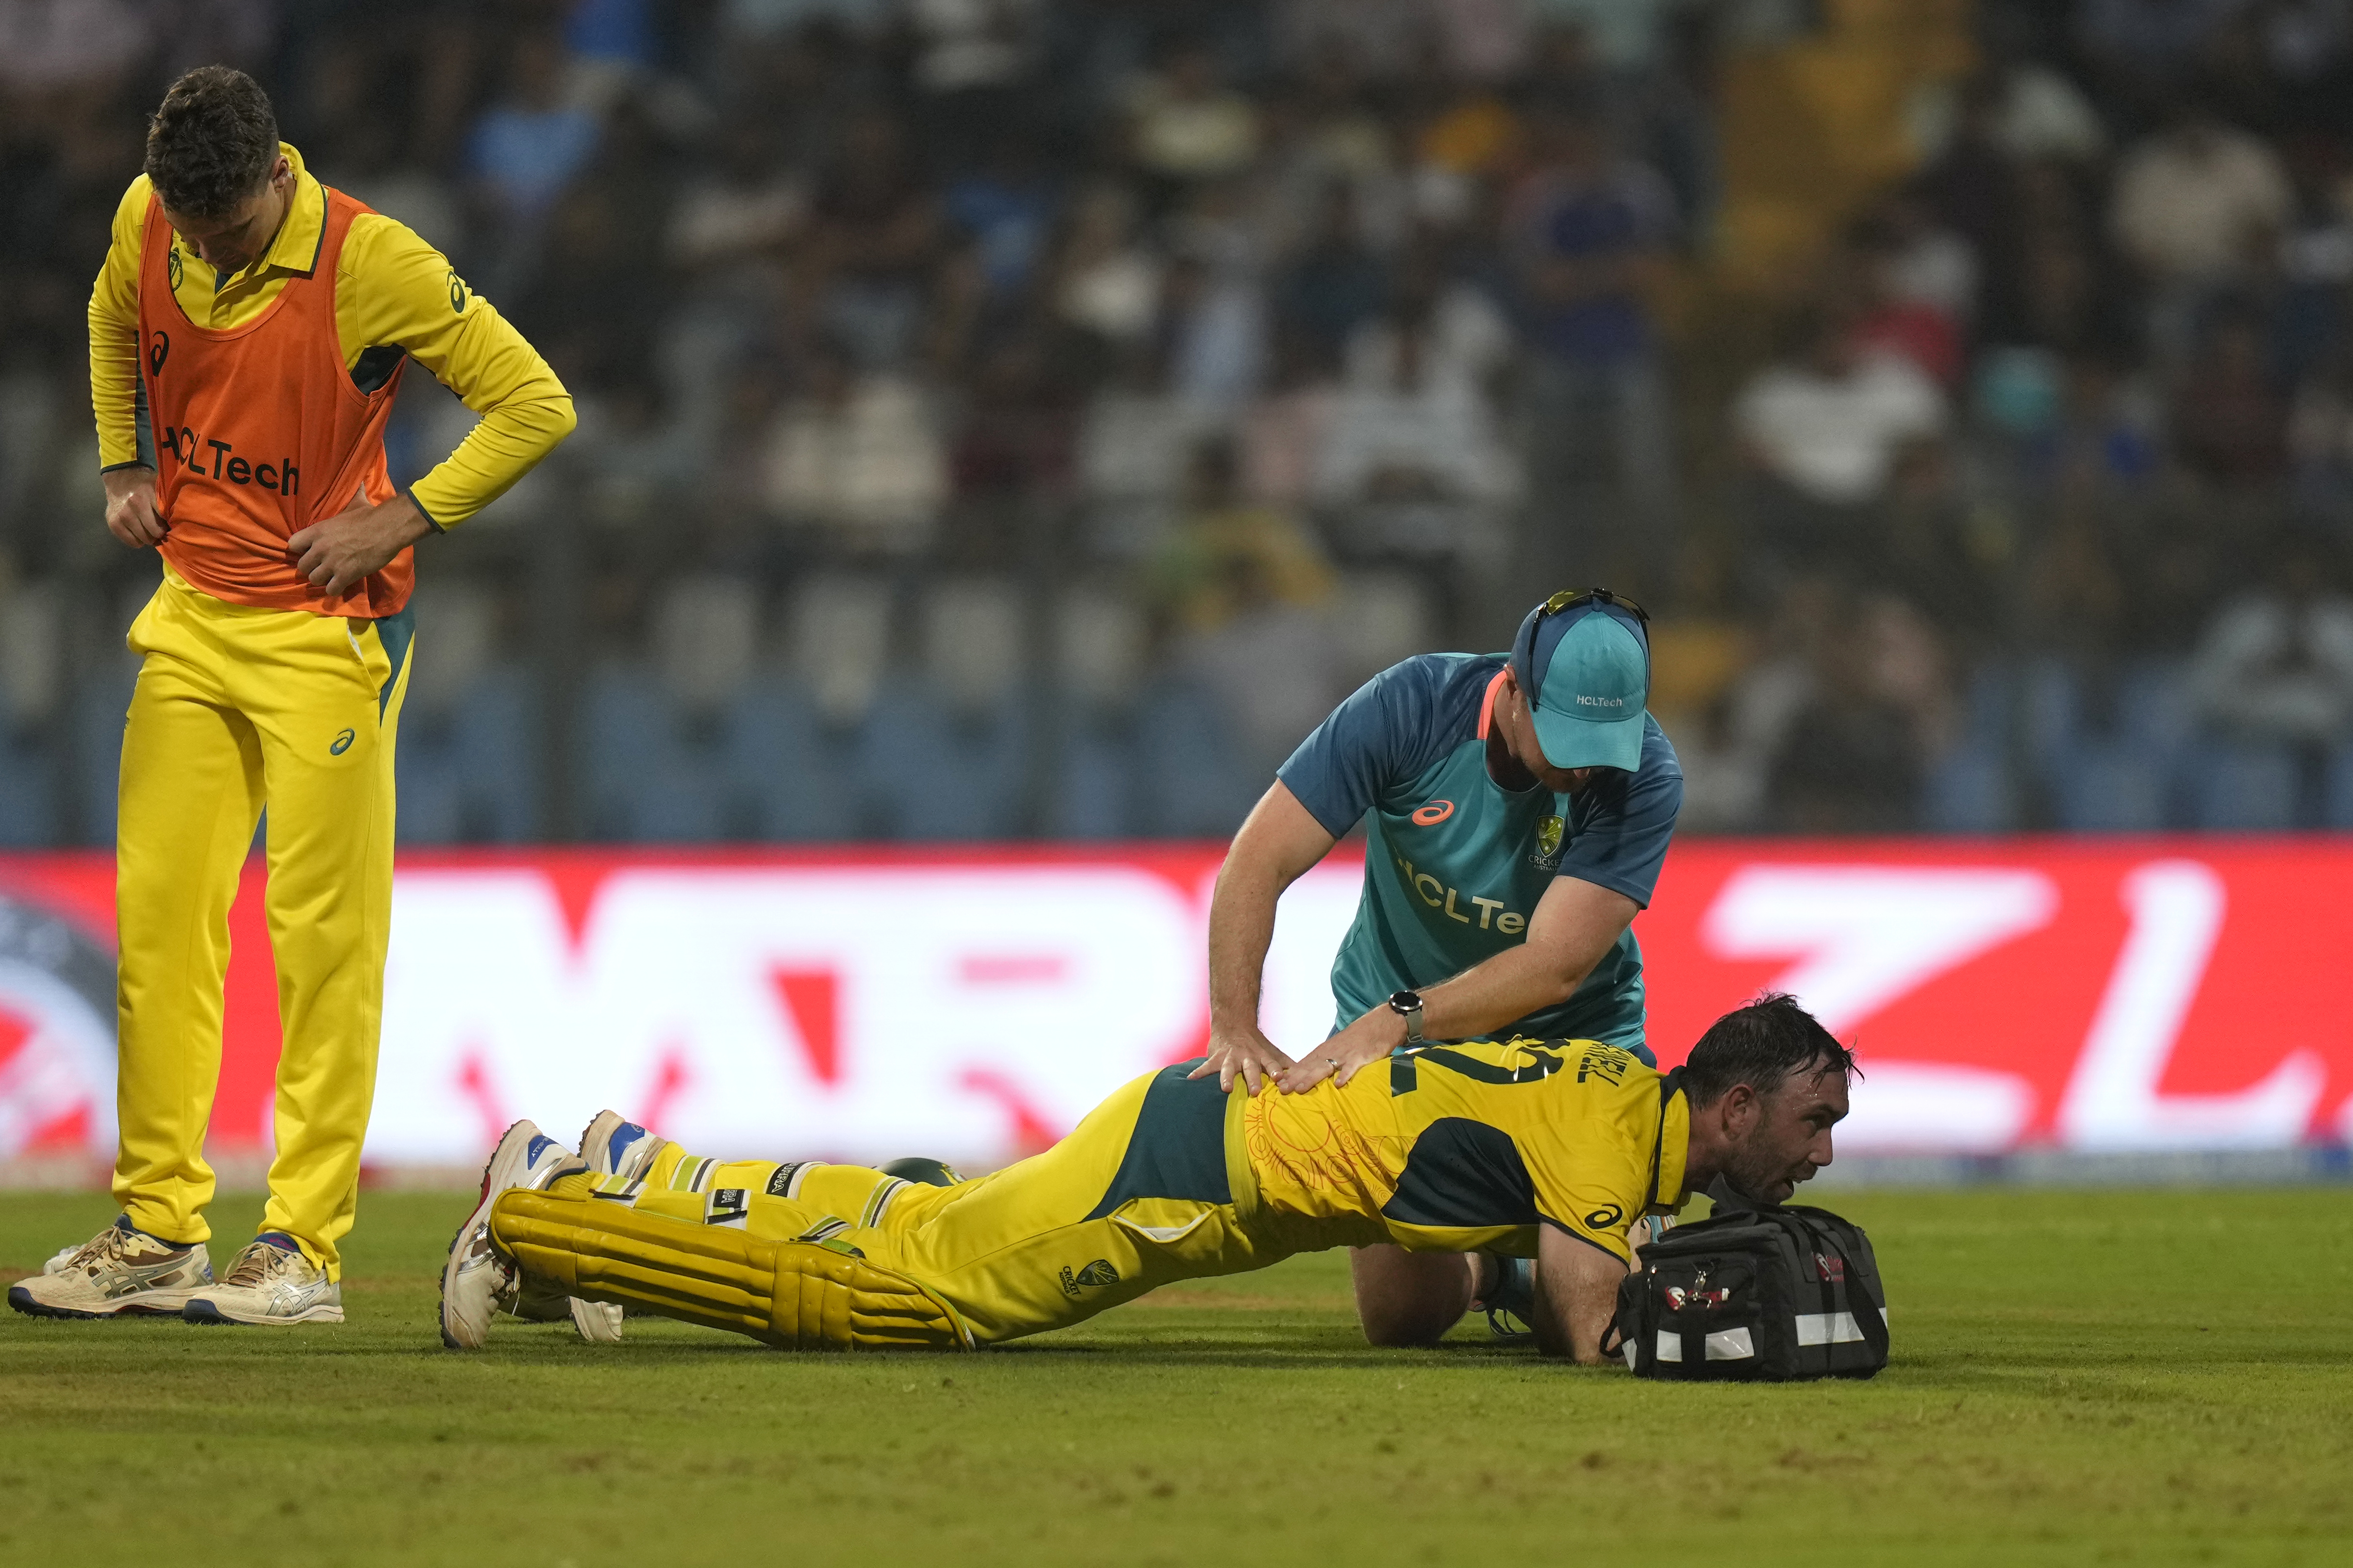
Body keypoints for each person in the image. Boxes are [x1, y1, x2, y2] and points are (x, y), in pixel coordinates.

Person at [10, 67, 575, 1326]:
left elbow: (535, 401)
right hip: (193, 616)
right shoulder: (149, 217)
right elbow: (111, 318)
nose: (204, 254)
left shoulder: (373, 263)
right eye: (189, 234)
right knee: (159, 932)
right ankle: (157, 1227)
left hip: (329, 634)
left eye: (229, 233)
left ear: (280, 177)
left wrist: (402, 516)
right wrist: (121, 461)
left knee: (323, 946)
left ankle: (303, 1250)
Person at [441, 995, 1854, 1363]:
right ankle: (547, 1223)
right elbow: (1591, 1324)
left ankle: (634, 1171)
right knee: (912, 1302)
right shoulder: (1612, 1143)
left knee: (918, 1221)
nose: (1822, 1153)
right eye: (1810, 1120)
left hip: (1197, 1134)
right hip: (1189, 1176)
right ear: (1733, 1105)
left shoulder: (1617, 1101)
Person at [1194, 586, 1683, 1346]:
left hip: (1575, 1049)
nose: (1588, 768)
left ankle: (1527, 1275)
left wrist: (1398, 1017)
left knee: (1587, 1328)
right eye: (1567, 738)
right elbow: (1256, 861)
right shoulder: (1411, 708)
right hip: (1405, 1043)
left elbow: (1554, 967)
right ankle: (1490, 1272)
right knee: (1400, 1320)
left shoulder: (1647, 773)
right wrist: (1233, 1026)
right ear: (1514, 691)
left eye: (1603, 743)